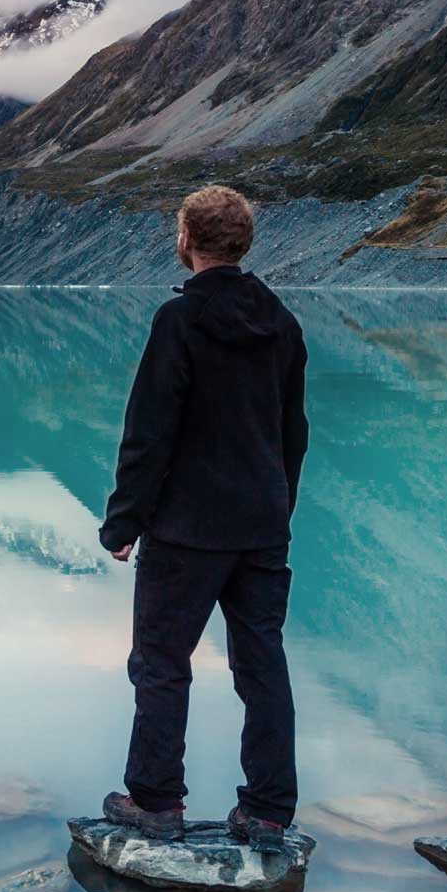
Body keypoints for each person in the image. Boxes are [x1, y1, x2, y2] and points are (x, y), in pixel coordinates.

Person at [98, 184, 310, 851]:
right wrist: (279, 506)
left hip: (188, 528)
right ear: (243, 242)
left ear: (186, 239)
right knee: (262, 662)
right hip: (261, 523)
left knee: (162, 660)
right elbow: (292, 432)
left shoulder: (178, 322)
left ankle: (156, 799)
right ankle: (269, 809)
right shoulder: (281, 323)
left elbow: (149, 432)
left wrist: (123, 522)